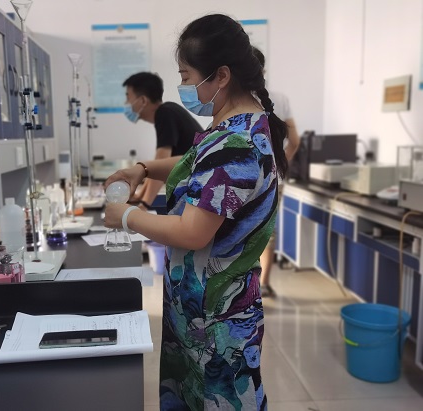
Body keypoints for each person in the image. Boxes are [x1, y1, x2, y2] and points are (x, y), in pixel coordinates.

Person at [104, 14, 288, 410]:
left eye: (186, 77)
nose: (184, 87)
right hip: (198, 309)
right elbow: (197, 163)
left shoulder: (238, 141)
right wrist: (143, 169)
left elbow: (193, 232)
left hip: (217, 322)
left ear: (221, 76)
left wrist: (126, 217)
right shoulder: (232, 128)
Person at [252, 47, 300, 298]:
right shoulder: (279, 98)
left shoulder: (236, 101)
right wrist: (278, 166)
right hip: (273, 179)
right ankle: (264, 284)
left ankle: (244, 287)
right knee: (267, 232)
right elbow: (295, 141)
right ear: (263, 71)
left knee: (241, 232)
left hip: (245, 178)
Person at [122, 72, 203, 209]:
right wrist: (140, 196)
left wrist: (144, 204)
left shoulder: (165, 113)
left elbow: (160, 163)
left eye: (128, 97)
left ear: (143, 100)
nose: (126, 103)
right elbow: (154, 166)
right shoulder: (167, 111)